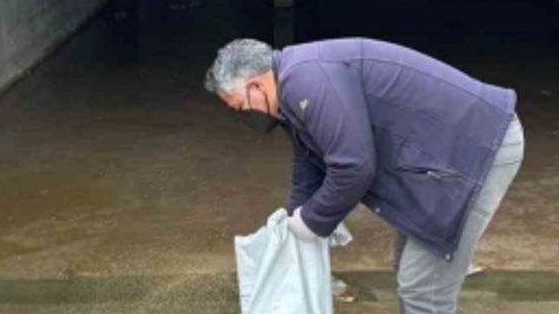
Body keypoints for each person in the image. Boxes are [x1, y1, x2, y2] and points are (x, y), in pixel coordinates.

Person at [205, 37, 523, 314]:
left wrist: (314, 219)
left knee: (423, 288)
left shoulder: (307, 80)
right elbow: (309, 163)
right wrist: (293, 220)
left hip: (476, 149)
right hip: (444, 156)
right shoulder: (294, 86)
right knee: (410, 270)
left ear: (256, 85)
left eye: (241, 107)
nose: (245, 116)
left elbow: (354, 167)